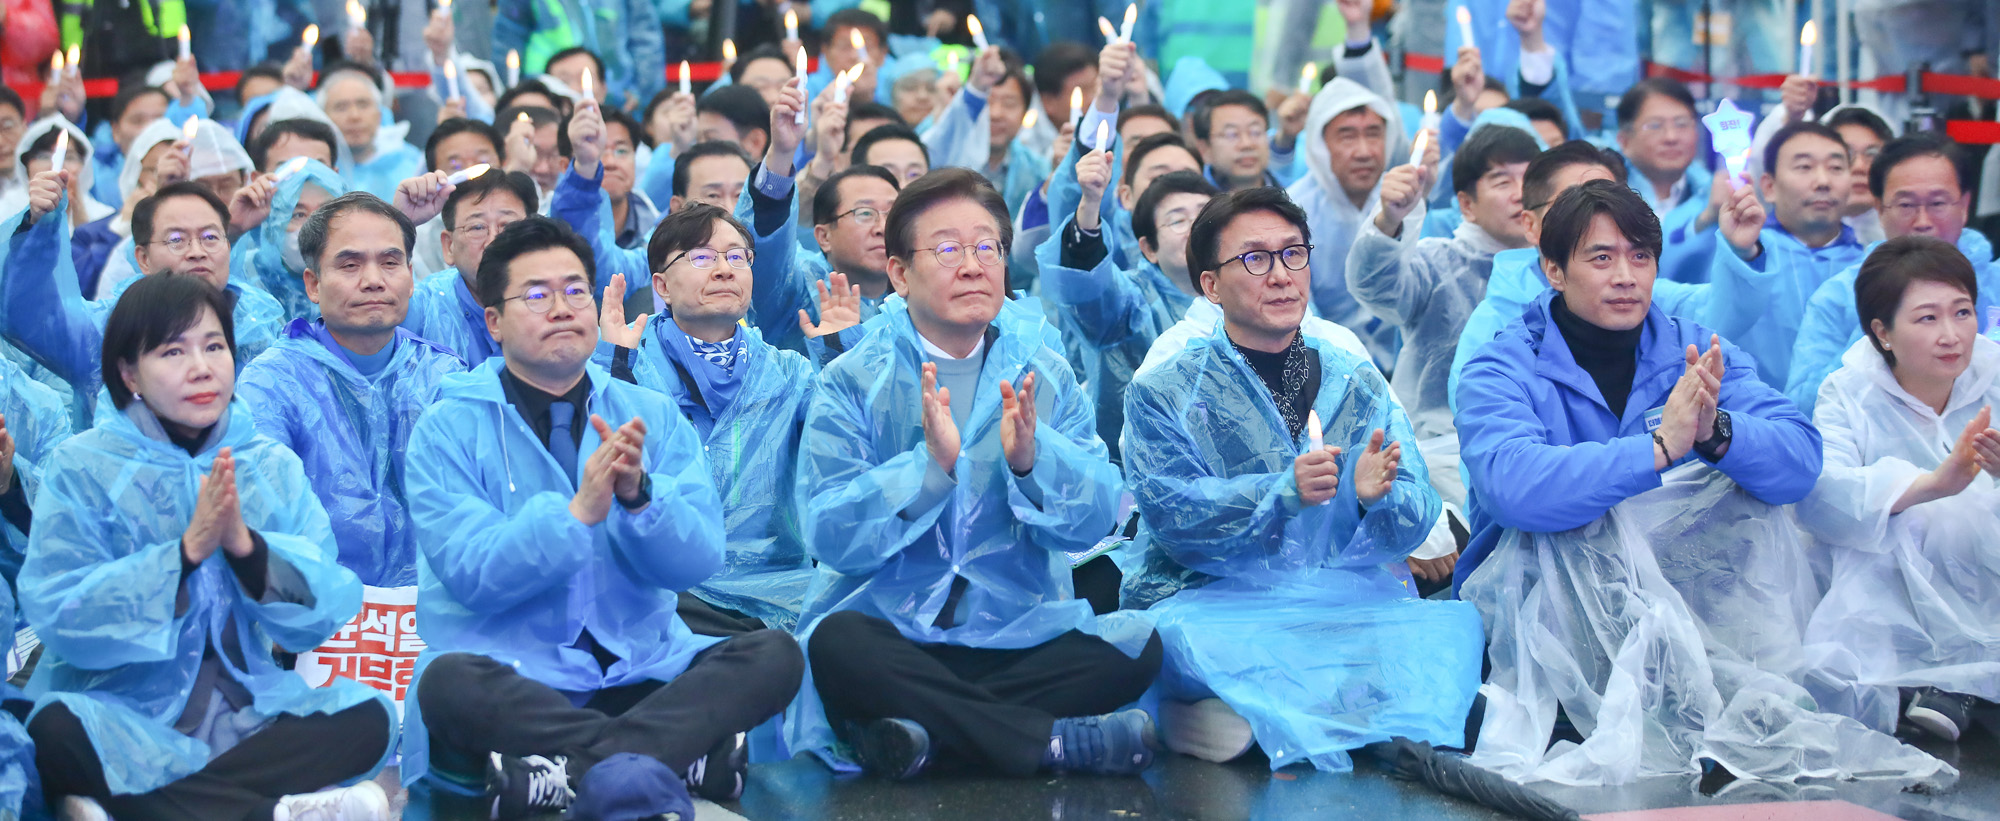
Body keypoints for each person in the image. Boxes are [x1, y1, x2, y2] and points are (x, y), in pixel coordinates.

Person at [1454, 179, 1946, 786]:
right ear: (1554, 271)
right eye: (1601, 258)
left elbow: (1799, 461)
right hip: (1546, 605)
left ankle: (1728, 709)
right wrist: (1658, 449)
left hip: (1690, 596)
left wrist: (1717, 433)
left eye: (1640, 256)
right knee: (1574, 522)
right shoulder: (1504, 365)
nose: (1626, 276)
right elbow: (1514, 487)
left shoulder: (1693, 350)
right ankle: (1621, 712)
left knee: (1751, 488)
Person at [402, 216, 803, 815]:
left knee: (773, 654)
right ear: (493, 321)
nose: (562, 308)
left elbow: (697, 559)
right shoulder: (447, 428)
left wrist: (641, 499)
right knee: (448, 682)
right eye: (536, 295)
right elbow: (471, 575)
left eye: (575, 291)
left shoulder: (648, 413)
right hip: (520, 676)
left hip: (642, 667)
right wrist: (578, 514)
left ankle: (564, 771)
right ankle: (670, 758)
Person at [792, 168, 1163, 780]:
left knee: (1137, 644)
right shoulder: (852, 379)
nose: (972, 265)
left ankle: (923, 735)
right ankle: (1043, 742)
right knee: (840, 644)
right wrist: (928, 471)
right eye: (946, 248)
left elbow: (1099, 517)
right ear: (900, 273)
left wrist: (1032, 462)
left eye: (986, 246)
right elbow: (829, 534)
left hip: (1016, 634)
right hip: (895, 632)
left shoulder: (1044, 371)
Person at [1120, 185, 1482, 770]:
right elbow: (1174, 516)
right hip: (1215, 601)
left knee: (1442, 637)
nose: (1282, 275)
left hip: (1338, 592)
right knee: (1194, 643)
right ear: (1210, 285)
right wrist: (1278, 495)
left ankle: (1245, 718)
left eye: (1294, 254)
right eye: (1255, 260)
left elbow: (1416, 510)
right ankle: (1235, 710)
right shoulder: (1166, 388)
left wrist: (1371, 501)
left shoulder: (1352, 376)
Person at [21, 273, 396, 821]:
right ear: (130, 374)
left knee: (372, 716)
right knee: (54, 731)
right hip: (121, 712)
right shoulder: (83, 466)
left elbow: (321, 610)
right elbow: (62, 614)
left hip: (246, 707)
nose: (202, 367)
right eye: (173, 351)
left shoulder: (266, 465)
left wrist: (246, 549)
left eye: (215, 346)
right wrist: (183, 555)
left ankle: (133, 809)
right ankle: (275, 811)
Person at [593, 203, 840, 632]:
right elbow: (594, 464)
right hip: (667, 583)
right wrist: (613, 367)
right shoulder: (631, 363)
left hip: (779, 581)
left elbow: (848, 448)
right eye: (702, 257)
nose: (725, 270)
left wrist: (842, 356)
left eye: (738, 256)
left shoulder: (789, 372)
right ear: (662, 286)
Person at [1799, 236, 2000, 744]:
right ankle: (1947, 678)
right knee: (1927, 518)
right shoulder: (1847, 392)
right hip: (1889, 569)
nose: (1952, 334)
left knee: (1972, 514)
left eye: (1963, 312)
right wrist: (1930, 486)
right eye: (1928, 319)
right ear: (1882, 332)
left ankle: (1966, 680)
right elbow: (1822, 497)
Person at [236, 192, 465, 589]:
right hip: (317, 615)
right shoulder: (271, 382)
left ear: (411, 277)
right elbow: (263, 517)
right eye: (350, 264)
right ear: (312, 283)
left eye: (390, 263)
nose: (374, 280)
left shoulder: (444, 375)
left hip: (433, 612)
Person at [1448, 140, 1777, 409]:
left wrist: (1741, 250)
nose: (1598, 213)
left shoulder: (1645, 295)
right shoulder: (1496, 325)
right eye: (1573, 201)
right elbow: (1491, 444)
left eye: (1609, 198)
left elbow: (1721, 313)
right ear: (1531, 225)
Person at [1346, 123, 1540, 506]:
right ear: (1466, 204)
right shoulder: (1440, 261)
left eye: (1530, 180)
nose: (1521, 195)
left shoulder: (1562, 267)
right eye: (1502, 182)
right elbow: (1375, 285)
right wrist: (1391, 219)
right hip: (1441, 453)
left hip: (1533, 448)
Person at [0, 178, 286, 421]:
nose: (197, 251)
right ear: (143, 259)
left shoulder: (260, 321)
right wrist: (35, 230)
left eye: (210, 237)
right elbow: (25, 316)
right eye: (176, 240)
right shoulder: (107, 328)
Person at [1787, 136, 1998, 416]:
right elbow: (1801, 409)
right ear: (1879, 207)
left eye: (1937, 203)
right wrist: (1878, 329)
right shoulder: (1837, 296)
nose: (1923, 222)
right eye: (1906, 205)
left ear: (1964, 205)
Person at [1038, 167, 1216, 460]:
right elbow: (1089, 288)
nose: (1196, 227)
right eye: (1178, 220)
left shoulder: (1251, 289)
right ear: (1148, 248)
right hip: (1132, 474)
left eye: (1205, 215)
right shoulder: (1132, 298)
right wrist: (1090, 206)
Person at [1709, 122, 1867, 389]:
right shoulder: (1747, 255)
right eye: (1804, 167)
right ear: (1769, 186)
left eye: (1836, 168)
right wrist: (1744, 252)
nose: (1823, 181)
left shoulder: (1869, 265)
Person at [1286, 77, 1431, 368]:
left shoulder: (1404, 197)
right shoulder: (1292, 209)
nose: (1364, 151)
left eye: (1374, 134)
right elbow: (1299, 312)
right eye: (1348, 136)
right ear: (1321, 143)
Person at [402, 169, 540, 364]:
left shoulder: (558, 298)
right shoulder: (426, 307)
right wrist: (399, 222)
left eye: (509, 226)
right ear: (449, 246)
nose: (493, 240)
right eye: (477, 227)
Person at [1613, 78, 1717, 285]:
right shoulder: (1605, 195)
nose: (1671, 137)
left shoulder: (1716, 197)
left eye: (1682, 124)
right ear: (1624, 140)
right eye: (1655, 126)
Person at [228, 158, 348, 320]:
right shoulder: (248, 283)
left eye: (326, 212)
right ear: (272, 227)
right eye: (298, 215)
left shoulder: (365, 284)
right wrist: (234, 229)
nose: (313, 226)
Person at [494, 0, 663, 109]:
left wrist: (641, 91)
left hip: (617, 93)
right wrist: (519, 95)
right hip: (548, 93)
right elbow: (508, 37)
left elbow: (644, 36)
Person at [318, 64, 425, 200]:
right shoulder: (315, 172)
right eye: (341, 107)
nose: (354, 116)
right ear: (323, 118)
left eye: (363, 105)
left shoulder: (413, 165)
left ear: (379, 115)